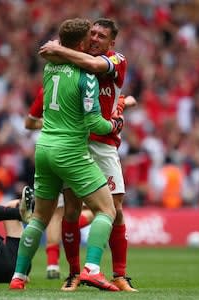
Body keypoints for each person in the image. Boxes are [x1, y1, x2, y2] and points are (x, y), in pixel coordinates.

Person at [9, 18, 123, 291]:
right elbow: (95, 124)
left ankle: (18, 277)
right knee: (106, 210)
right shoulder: (88, 77)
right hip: (70, 150)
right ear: (82, 43)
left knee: (40, 218)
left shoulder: (50, 68)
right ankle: (92, 270)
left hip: (44, 148)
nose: (94, 41)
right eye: (90, 37)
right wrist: (115, 124)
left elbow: (54, 54)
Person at [39, 18, 138, 292]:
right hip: (76, 145)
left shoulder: (116, 60)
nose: (95, 38)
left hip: (105, 145)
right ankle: (74, 274)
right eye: (92, 33)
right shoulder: (73, 61)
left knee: (115, 211)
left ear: (111, 43)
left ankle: (120, 274)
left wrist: (59, 49)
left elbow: (93, 65)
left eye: (101, 36)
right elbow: (47, 56)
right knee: (70, 210)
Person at [25, 86, 95, 280]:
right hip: (73, 152)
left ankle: (47, 266)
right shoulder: (81, 83)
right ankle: (81, 268)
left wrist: (47, 122)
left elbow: (29, 123)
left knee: (53, 215)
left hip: (46, 150)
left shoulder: (46, 89)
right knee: (93, 210)